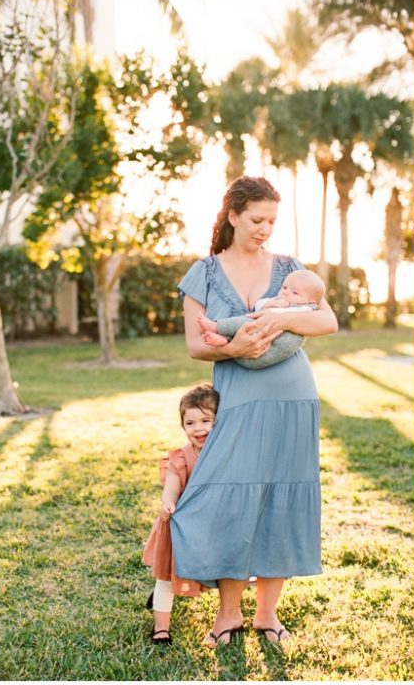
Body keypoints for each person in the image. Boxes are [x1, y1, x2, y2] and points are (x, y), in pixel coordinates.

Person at [170, 175, 338, 648]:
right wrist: (235, 346)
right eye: (257, 220)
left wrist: (281, 317)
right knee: (229, 497)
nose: (265, 229)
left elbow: (327, 319)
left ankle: (267, 614)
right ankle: (228, 615)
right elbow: (193, 346)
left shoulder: (289, 268)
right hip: (239, 396)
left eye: (272, 221)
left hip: (293, 395)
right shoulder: (203, 272)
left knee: (280, 499)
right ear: (233, 216)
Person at [142, 383, 218, 644]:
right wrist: (168, 504)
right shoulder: (181, 458)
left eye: (206, 421)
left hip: (209, 528)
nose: (199, 429)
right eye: (190, 423)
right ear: (183, 426)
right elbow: (171, 489)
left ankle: (230, 615)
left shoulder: (225, 454)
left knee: (218, 574)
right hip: (179, 527)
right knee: (166, 577)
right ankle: (160, 628)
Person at [196, 269, 326, 370]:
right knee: (249, 322)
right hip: (250, 350)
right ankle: (223, 337)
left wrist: (283, 310)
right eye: (284, 288)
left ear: (311, 301)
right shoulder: (279, 300)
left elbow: (302, 317)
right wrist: (270, 304)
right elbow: (258, 306)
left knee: (250, 322)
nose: (286, 293)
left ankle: (219, 329)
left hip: (270, 351)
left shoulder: (307, 309)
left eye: (295, 293)